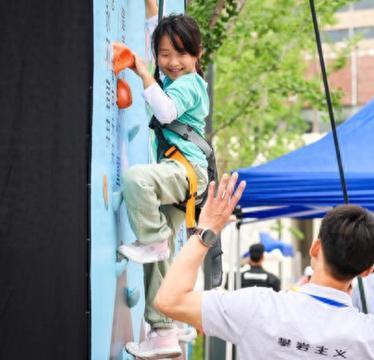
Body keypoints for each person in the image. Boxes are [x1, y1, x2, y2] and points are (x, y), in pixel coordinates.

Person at [155, 172, 374, 359]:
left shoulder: (257, 306)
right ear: (365, 270)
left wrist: (207, 229)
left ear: (315, 247)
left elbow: (169, 300)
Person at [120, 1, 209, 357]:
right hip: (179, 181)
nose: (173, 62)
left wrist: (143, 73)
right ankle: (163, 333)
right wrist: (151, 14)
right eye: (165, 55)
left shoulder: (189, 84)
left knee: (137, 180)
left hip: (187, 172)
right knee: (158, 262)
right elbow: (157, 44)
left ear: (198, 54)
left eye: (182, 54)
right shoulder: (174, 79)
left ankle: (153, 238)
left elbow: (166, 110)